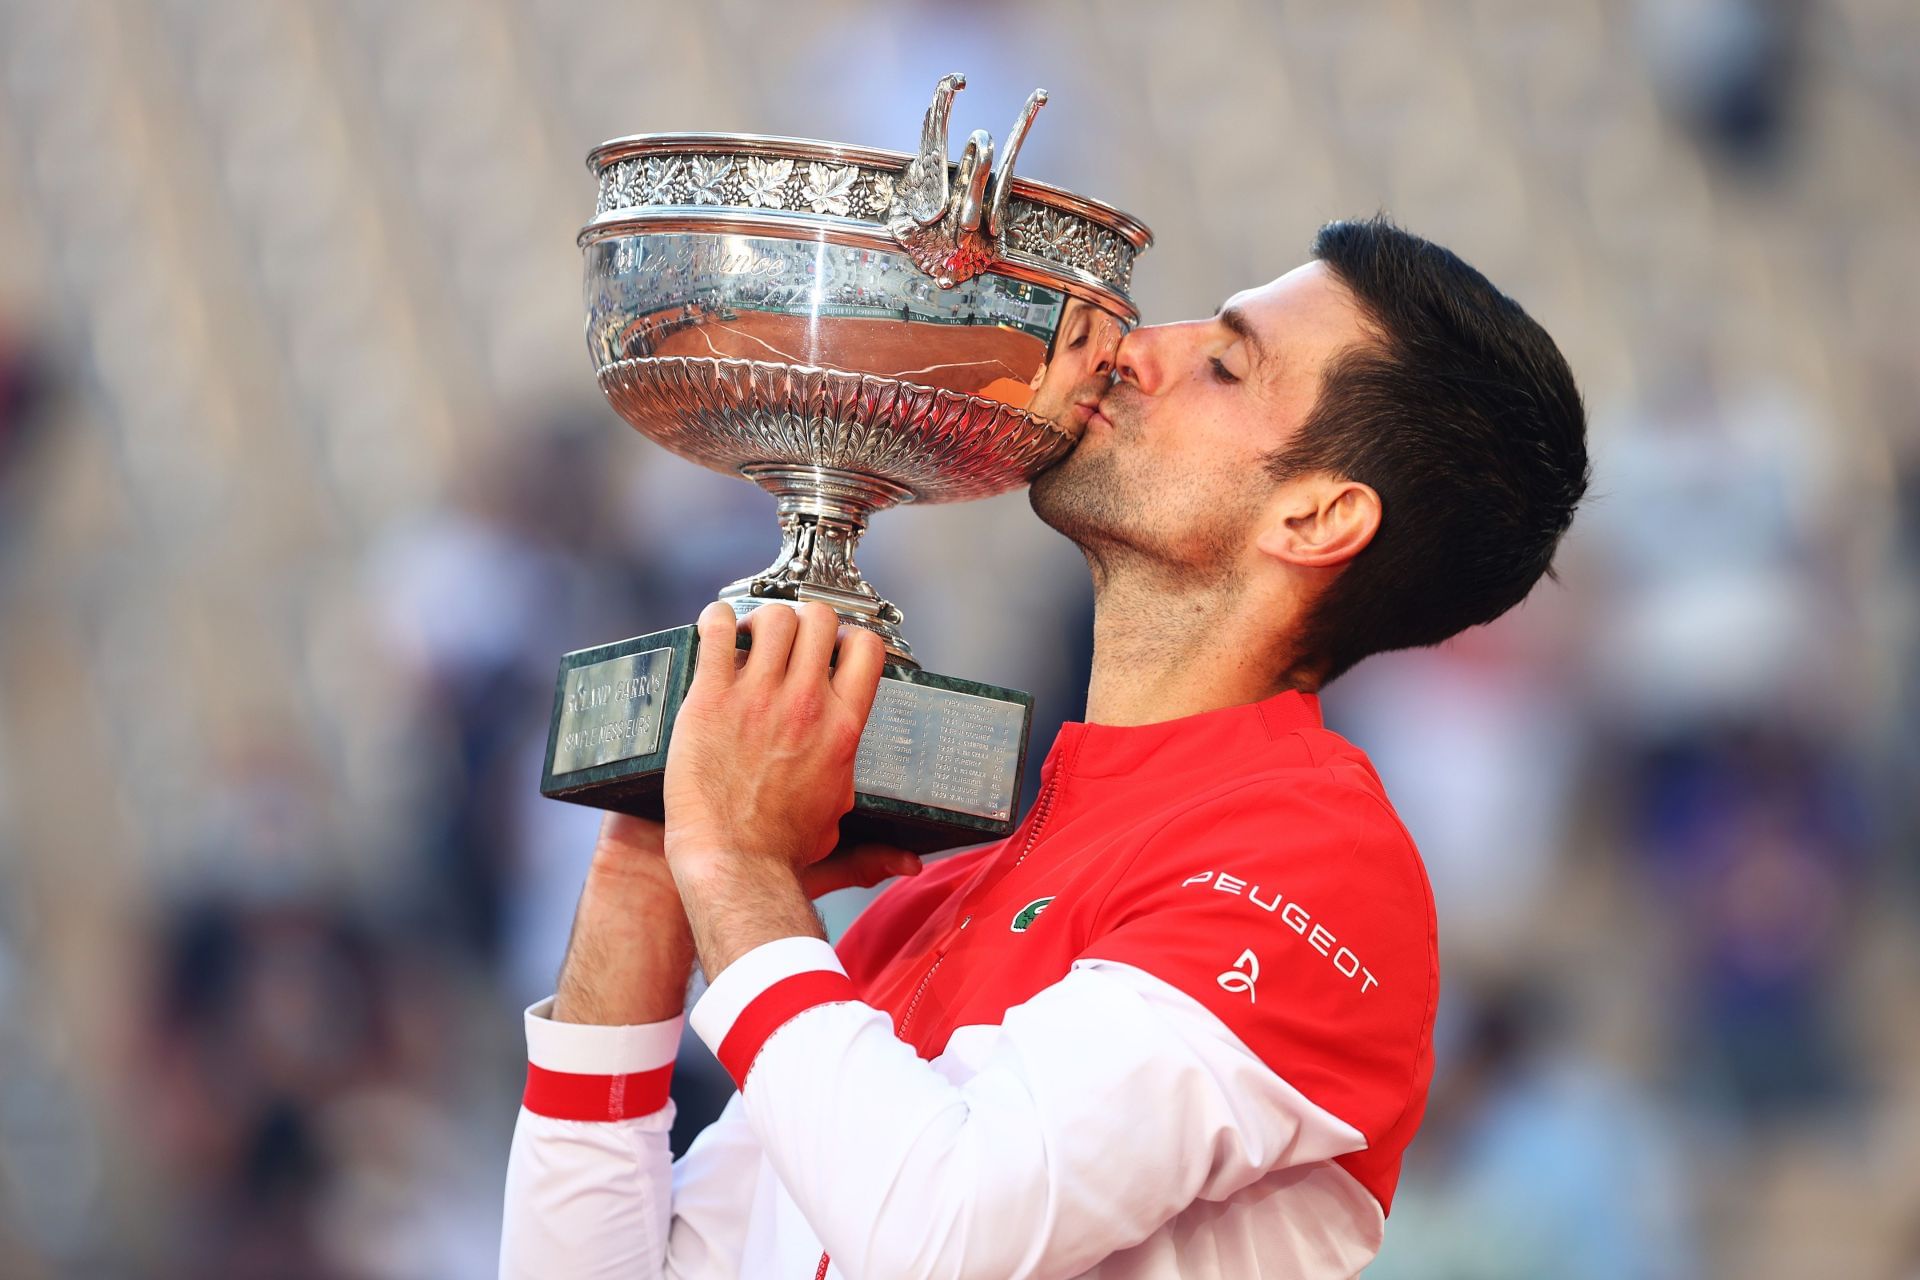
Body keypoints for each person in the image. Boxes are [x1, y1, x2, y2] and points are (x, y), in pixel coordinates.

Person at [499, 216, 1590, 1278]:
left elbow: (945, 1231)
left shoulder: (1314, 862)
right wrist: (651, 881)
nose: (1131, 346)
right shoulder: (939, 899)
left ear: (1315, 518)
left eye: (1222, 362)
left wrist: (734, 869)